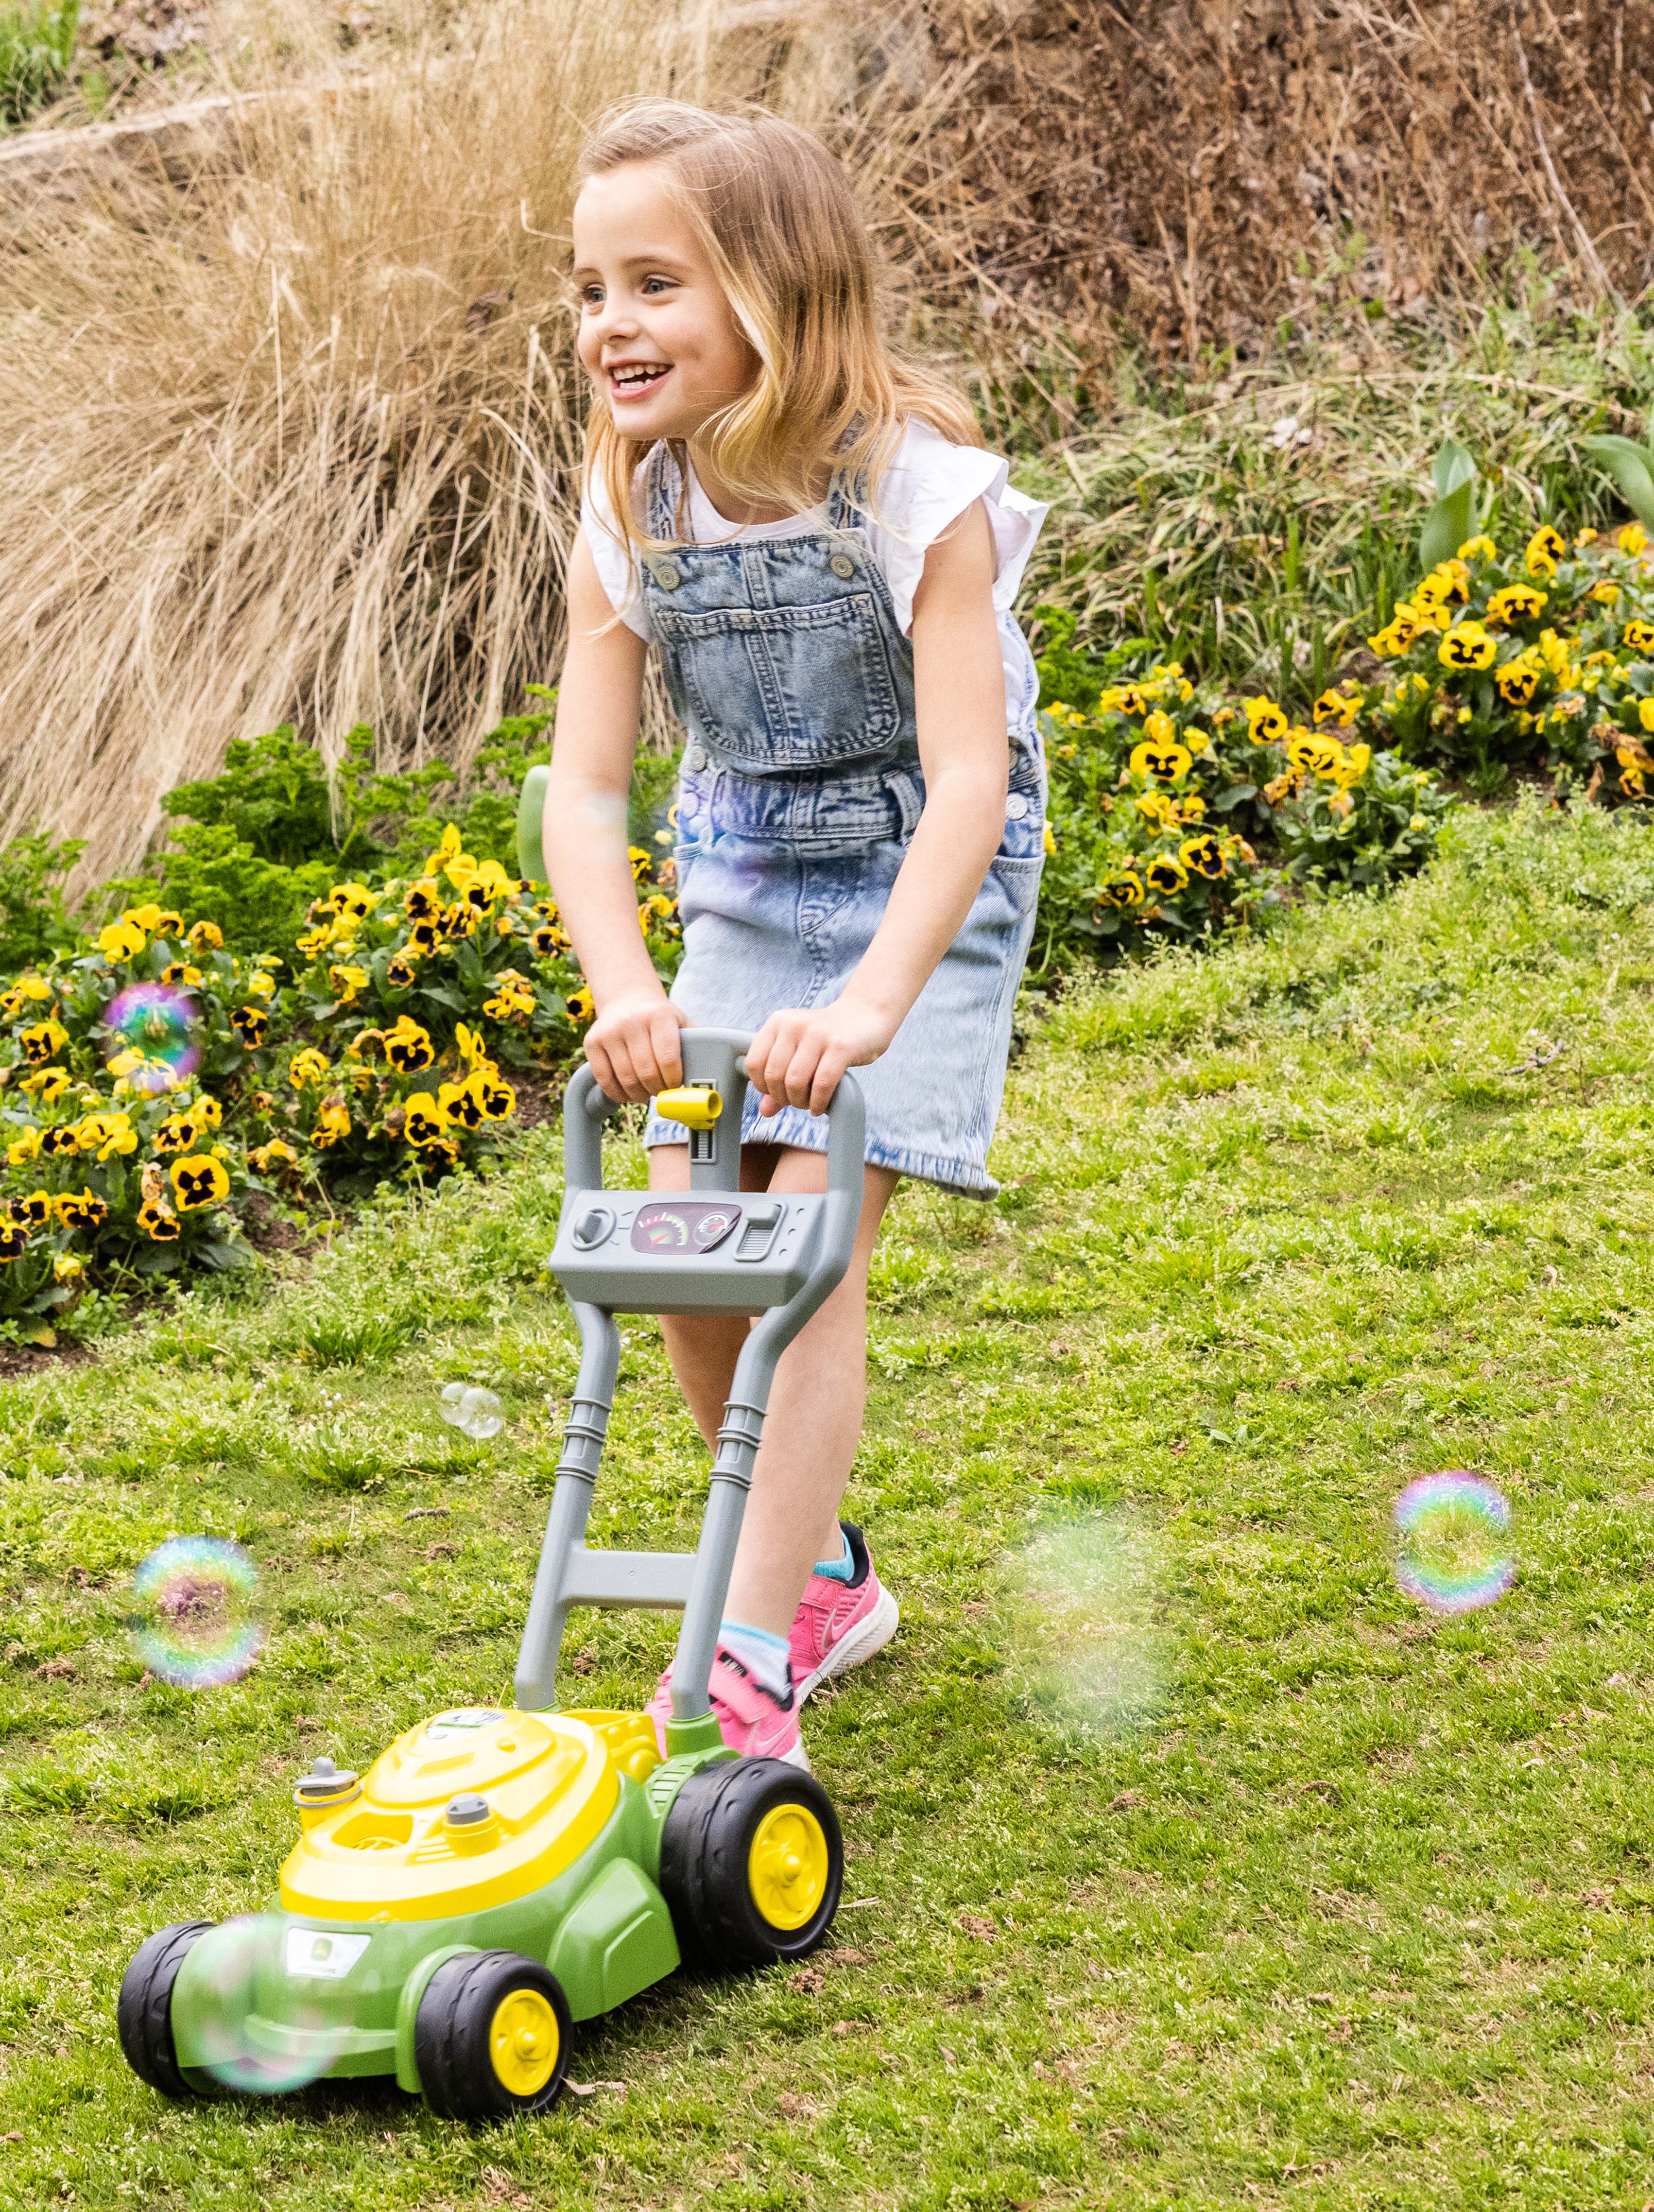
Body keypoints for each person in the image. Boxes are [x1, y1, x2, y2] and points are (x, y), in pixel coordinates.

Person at [542, 97, 1048, 1769]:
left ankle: (746, 1652)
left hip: (920, 869)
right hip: (751, 869)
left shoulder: (920, 486)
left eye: (656, 283)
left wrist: (878, 1008)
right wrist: (624, 983)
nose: (613, 324)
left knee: (808, 1238)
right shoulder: (633, 497)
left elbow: (972, 777)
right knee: (693, 1240)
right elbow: (588, 786)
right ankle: (819, 1576)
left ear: (779, 289)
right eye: (591, 288)